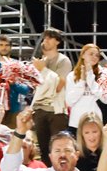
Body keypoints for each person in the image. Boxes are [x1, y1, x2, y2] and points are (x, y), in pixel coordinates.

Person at [28, 29, 73, 161]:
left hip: (56, 111)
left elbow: (59, 86)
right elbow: (35, 86)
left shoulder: (63, 61)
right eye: (44, 37)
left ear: (57, 41)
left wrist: (43, 70)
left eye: (50, 38)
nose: (45, 40)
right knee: (43, 149)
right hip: (39, 110)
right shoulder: (39, 61)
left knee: (57, 147)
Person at [65, 43, 106, 130]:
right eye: (91, 54)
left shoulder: (103, 74)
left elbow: (105, 99)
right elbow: (69, 101)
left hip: (96, 121)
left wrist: (90, 77)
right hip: (76, 122)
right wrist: (82, 81)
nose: (94, 57)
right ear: (83, 55)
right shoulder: (72, 75)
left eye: (97, 55)